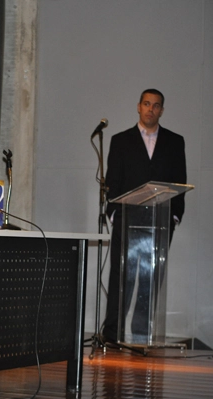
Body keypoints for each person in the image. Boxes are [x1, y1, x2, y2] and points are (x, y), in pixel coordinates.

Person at [102, 88, 187, 343]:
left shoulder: (174, 142)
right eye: (147, 104)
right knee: (121, 280)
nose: (151, 109)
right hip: (127, 221)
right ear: (138, 107)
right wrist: (115, 215)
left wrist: (173, 218)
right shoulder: (120, 140)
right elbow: (113, 183)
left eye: (156, 105)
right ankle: (112, 337)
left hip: (158, 224)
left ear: (161, 110)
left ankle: (141, 337)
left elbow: (179, 183)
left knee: (150, 282)